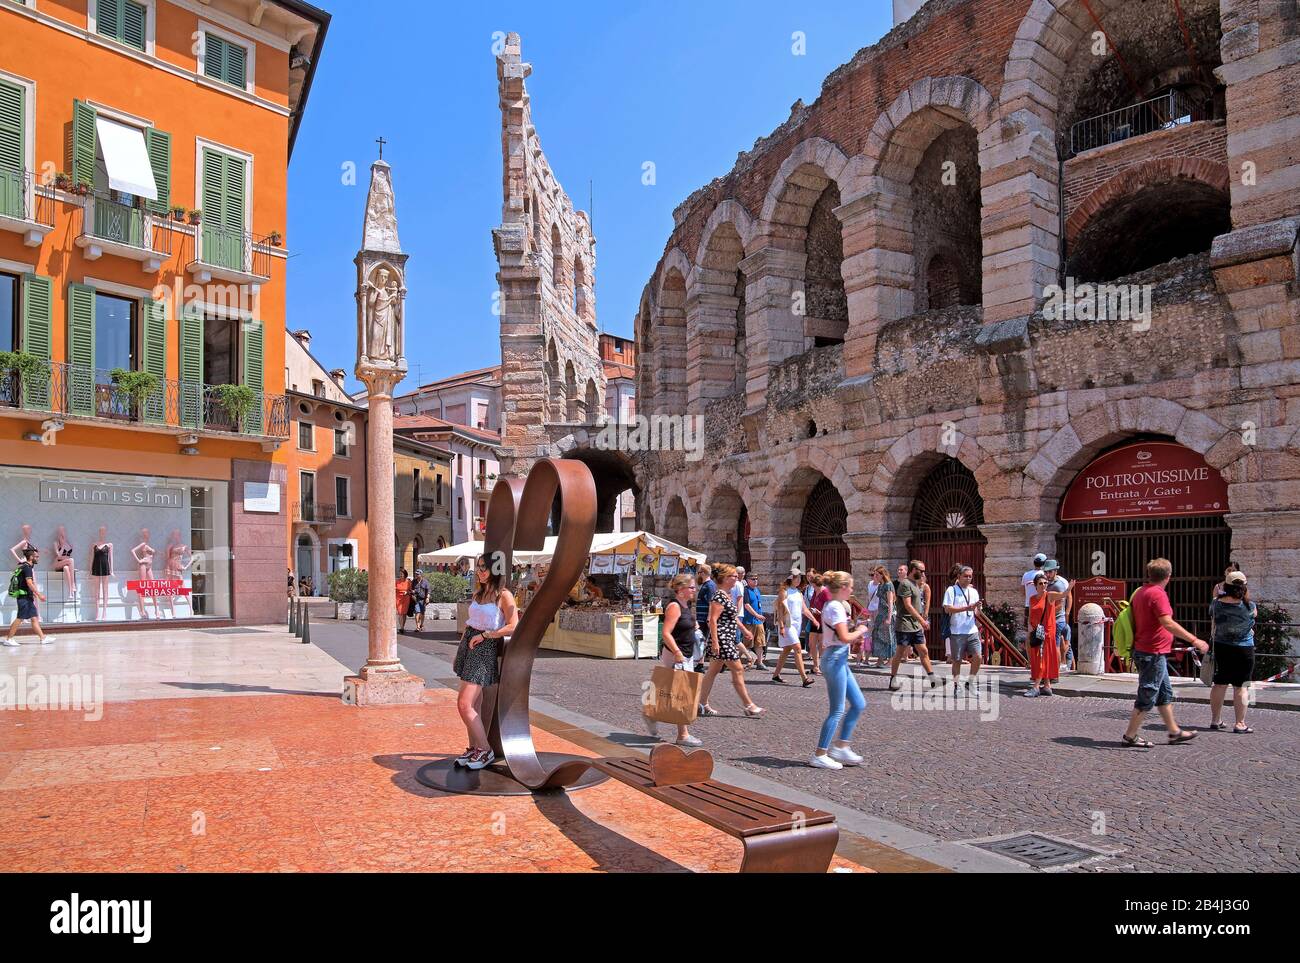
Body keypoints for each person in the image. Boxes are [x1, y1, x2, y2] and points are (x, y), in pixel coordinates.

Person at [1121, 558, 1209, 746]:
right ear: (1168, 576)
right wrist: (1194, 640)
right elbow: (1167, 622)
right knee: (1148, 693)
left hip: (1150, 650)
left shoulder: (1140, 592)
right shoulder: (1157, 595)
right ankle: (1130, 735)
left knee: (1164, 693)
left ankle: (1174, 731)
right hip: (1151, 652)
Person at [454, 554, 519, 770]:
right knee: (474, 703)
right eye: (479, 567)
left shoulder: (504, 595)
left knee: (464, 704)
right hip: (469, 646)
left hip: (484, 647)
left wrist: (486, 636)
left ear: (495, 569)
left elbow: (513, 625)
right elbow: (469, 623)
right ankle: (474, 748)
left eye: (484, 567)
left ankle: (485, 749)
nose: (480, 571)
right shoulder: (478, 593)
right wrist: (459, 650)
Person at [809, 571, 867, 770]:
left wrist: (854, 634)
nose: (852, 590)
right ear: (843, 588)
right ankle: (820, 753)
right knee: (837, 710)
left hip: (839, 658)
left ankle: (842, 746)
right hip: (834, 659)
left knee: (859, 703)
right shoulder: (835, 607)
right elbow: (843, 637)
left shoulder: (835, 606)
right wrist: (860, 631)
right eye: (850, 587)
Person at [697, 564, 765, 718]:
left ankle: (702, 703)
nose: (736, 578)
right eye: (733, 576)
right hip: (722, 639)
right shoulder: (719, 596)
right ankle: (749, 705)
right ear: (725, 578)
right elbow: (712, 620)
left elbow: (732, 617)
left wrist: (744, 630)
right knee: (738, 669)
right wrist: (715, 642)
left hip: (726, 637)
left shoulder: (726, 594)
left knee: (712, 672)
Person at [649, 574, 703, 746]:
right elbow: (666, 633)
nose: (695, 590)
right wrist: (677, 652)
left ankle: (651, 713)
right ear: (681, 589)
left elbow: (685, 626)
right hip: (676, 653)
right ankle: (683, 735)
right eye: (692, 587)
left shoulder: (686, 605)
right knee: (683, 694)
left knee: (671, 691)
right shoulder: (674, 606)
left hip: (685, 653)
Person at [1208, 570, 1256, 734]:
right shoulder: (1249, 606)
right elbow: (1254, 615)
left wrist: (1217, 594)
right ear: (1244, 587)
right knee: (1241, 686)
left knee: (1220, 684)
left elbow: (1212, 612)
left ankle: (1215, 720)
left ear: (1226, 586)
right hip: (1244, 649)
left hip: (1222, 646)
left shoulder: (1217, 604)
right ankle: (1240, 723)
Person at [890, 560, 936, 691]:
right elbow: (908, 605)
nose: (923, 573)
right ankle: (892, 679)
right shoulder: (905, 584)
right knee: (900, 652)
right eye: (920, 571)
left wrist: (921, 619)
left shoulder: (916, 584)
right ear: (913, 570)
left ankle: (932, 679)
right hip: (904, 623)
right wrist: (922, 620)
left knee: (924, 651)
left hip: (915, 625)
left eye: (923, 571)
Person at [1026, 572, 1068, 696]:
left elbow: (1063, 595)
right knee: (1041, 658)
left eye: (1045, 583)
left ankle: (1036, 686)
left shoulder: (1049, 595)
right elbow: (1030, 615)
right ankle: (1047, 685)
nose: (1044, 585)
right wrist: (1029, 628)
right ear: (1035, 585)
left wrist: (1069, 588)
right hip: (1036, 631)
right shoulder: (1032, 598)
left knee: (1042, 659)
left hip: (1047, 632)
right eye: (1041, 583)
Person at [5, 547, 55, 646]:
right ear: (31, 557)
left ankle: (43, 638)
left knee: (34, 618)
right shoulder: (27, 568)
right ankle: (9, 639)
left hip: (27, 597)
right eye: (36, 556)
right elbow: (29, 583)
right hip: (24, 598)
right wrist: (39, 594)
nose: (38, 558)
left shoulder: (25, 566)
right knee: (20, 618)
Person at [772, 573, 816, 687]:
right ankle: (804, 678)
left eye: (800, 578)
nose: (798, 580)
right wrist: (781, 626)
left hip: (797, 624)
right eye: (796, 578)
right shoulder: (784, 591)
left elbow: (804, 609)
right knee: (797, 648)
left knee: (786, 650)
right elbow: (780, 610)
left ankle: (776, 675)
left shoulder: (799, 593)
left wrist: (814, 620)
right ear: (791, 579)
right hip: (787, 624)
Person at [944, 565, 983, 688]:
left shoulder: (974, 592)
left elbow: (976, 612)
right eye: (965, 576)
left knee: (978, 657)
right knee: (957, 660)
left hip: (972, 630)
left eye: (970, 576)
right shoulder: (951, 590)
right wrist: (967, 607)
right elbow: (947, 608)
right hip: (957, 631)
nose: (968, 579)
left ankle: (970, 681)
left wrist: (978, 609)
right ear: (959, 576)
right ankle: (956, 686)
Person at [1043, 559, 1073, 670]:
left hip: (1056, 619)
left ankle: (1057, 669)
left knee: (1055, 646)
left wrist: (1045, 614)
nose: (1047, 574)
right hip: (1052, 619)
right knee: (1056, 645)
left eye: (1050, 572)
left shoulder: (1058, 585)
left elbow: (1060, 605)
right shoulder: (1047, 583)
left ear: (1056, 571)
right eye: (1046, 572)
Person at [741, 571, 769, 671]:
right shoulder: (745, 590)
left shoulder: (757, 590)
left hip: (758, 621)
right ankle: (734, 661)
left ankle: (760, 662)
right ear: (747, 580)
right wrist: (757, 615)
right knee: (746, 643)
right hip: (749, 621)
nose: (755, 581)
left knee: (760, 642)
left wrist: (760, 616)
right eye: (753, 579)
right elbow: (747, 605)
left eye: (756, 579)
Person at [869, 564, 896, 668]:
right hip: (880, 614)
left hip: (887, 614)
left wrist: (889, 617)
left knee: (889, 637)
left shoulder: (888, 585)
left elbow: (890, 602)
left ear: (882, 575)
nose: (875, 576)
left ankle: (890, 661)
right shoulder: (880, 585)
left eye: (876, 574)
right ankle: (879, 660)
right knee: (877, 636)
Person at [694, 564, 716, 673]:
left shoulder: (710, 585)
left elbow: (712, 602)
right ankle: (700, 663)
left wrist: (709, 617)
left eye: (699, 573)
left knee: (703, 640)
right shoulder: (706, 584)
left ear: (703, 573)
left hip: (704, 618)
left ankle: (702, 664)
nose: (698, 575)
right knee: (701, 640)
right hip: (701, 617)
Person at [808, 573, 831, 675]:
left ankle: (823, 666)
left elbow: (830, 608)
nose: (813, 587)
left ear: (818, 584)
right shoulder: (815, 592)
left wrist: (820, 612)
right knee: (812, 644)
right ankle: (815, 666)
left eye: (814, 585)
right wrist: (811, 610)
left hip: (823, 622)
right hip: (814, 621)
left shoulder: (825, 592)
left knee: (822, 645)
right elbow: (812, 603)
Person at [1023, 553, 1047, 628]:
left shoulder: (1026, 574)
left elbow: (1023, 591)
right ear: (1044, 563)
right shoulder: (1044, 575)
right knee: (1040, 630)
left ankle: (1030, 640)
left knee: (1029, 630)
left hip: (1028, 605)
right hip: (1040, 605)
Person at [396, 568, 412, 633]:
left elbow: (411, 590)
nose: (400, 575)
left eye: (402, 574)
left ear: (405, 574)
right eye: (400, 574)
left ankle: (403, 626)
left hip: (406, 598)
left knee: (404, 613)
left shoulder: (408, 582)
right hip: (398, 598)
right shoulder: (397, 581)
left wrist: (407, 592)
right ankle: (401, 627)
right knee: (400, 613)